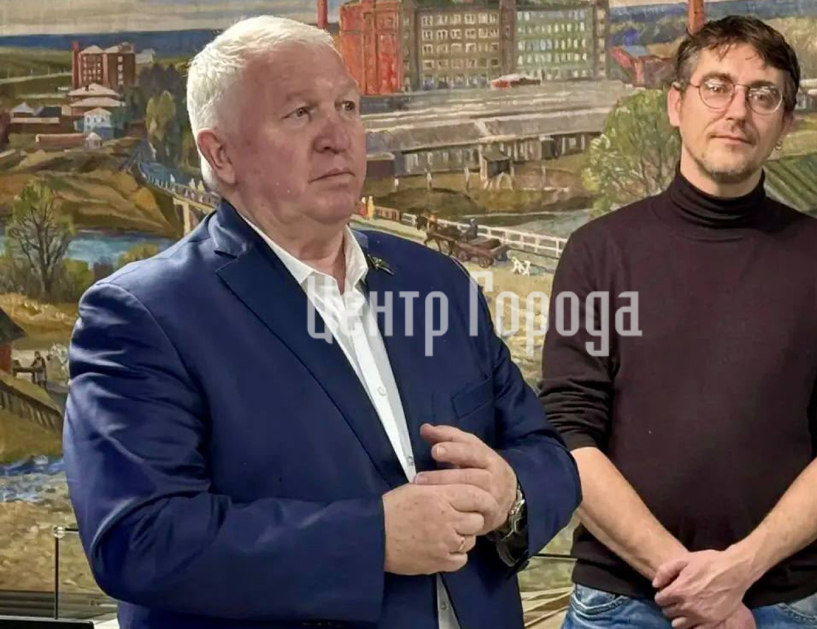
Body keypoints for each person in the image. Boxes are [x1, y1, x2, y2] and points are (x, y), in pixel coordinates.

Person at [63, 16, 580, 629]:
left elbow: (546, 454)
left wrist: (509, 494)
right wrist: (372, 540)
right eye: (300, 113)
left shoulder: (437, 282)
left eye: (347, 107)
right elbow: (139, 539)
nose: (338, 136)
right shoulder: (143, 315)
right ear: (221, 154)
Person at [540, 15, 817, 629]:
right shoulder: (595, 253)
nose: (737, 111)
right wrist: (692, 584)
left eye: (763, 95)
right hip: (622, 602)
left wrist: (738, 572)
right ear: (676, 104)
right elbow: (568, 434)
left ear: (785, 123)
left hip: (779, 601)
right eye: (717, 86)